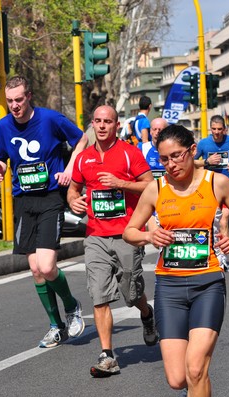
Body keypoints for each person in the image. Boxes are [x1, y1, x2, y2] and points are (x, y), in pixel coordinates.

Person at [122, 124, 229, 397]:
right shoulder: (155, 189)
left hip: (208, 284)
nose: (171, 164)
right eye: (164, 159)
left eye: (177, 155)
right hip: (169, 288)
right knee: (177, 379)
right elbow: (129, 232)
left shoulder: (216, 183)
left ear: (192, 151)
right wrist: (150, 236)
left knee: (196, 369)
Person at [0, 76, 88, 349]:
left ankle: (72, 306)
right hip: (23, 201)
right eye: (10, 101)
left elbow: (81, 139)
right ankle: (56, 326)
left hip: (49, 198)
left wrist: (70, 168)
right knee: (35, 269)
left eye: (19, 100)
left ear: (29, 96)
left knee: (46, 266)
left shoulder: (49, 119)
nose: (14, 106)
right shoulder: (2, 127)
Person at [67, 104, 158, 378]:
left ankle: (146, 313)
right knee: (98, 294)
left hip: (127, 233)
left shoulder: (129, 154)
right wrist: (74, 202)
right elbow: (73, 190)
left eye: (108, 121)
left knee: (130, 294)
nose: (102, 126)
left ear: (117, 125)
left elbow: (151, 185)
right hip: (95, 234)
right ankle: (108, 355)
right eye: (97, 121)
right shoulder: (83, 159)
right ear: (92, 124)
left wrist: (122, 183)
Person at [194, 115, 229, 239]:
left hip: (226, 184)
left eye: (219, 129)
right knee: (210, 220)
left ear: (224, 129)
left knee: (224, 217)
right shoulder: (203, 143)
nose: (216, 132)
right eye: (214, 129)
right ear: (210, 129)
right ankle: (212, 245)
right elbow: (192, 162)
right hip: (209, 185)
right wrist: (207, 161)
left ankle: (224, 252)